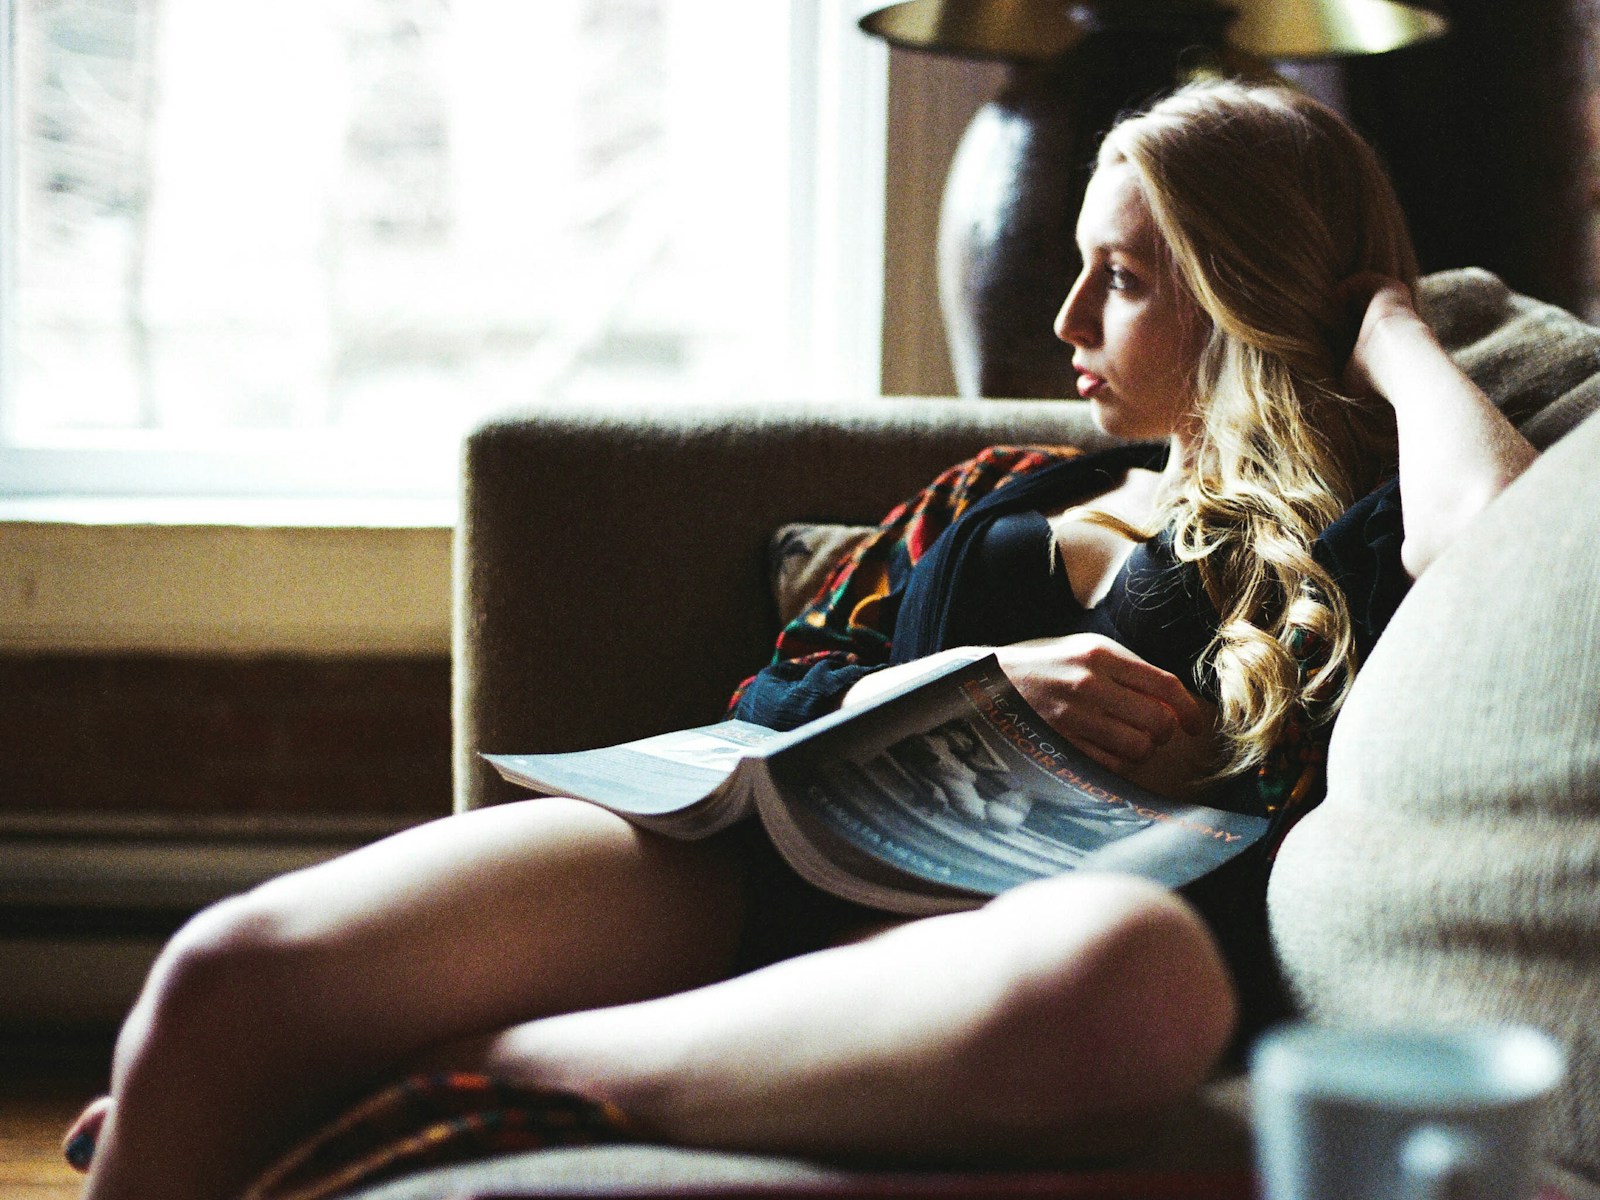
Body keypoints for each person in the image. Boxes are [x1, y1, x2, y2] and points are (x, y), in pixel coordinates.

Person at [63, 78, 1538, 1200]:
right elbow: (778, 693)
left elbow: (1499, 544)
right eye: (1081, 265)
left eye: (1128, 278)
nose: (1068, 315)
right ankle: (394, 1065)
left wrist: (1391, 327)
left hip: (990, 962)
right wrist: (972, 683)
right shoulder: (999, 490)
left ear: (1241, 296)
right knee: (228, 974)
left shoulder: (1353, 540)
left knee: (1133, 981)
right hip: (759, 872)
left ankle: (478, 1077)